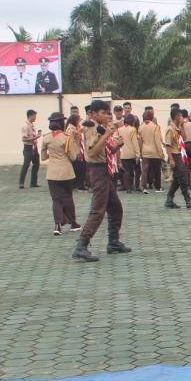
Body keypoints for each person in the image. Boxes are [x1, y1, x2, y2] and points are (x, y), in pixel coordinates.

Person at [72, 99, 132, 262]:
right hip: (98, 171)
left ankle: (113, 242)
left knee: (115, 208)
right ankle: (81, 246)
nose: (106, 116)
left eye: (107, 113)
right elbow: (91, 152)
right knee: (98, 209)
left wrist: (117, 146)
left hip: (105, 170)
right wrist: (106, 134)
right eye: (103, 113)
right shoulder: (91, 127)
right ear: (93, 113)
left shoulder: (99, 128)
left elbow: (105, 151)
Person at [39, 111, 80, 236]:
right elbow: (73, 157)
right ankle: (73, 223)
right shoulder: (67, 138)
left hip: (52, 172)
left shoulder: (46, 138)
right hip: (66, 172)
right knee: (67, 197)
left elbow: (44, 157)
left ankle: (57, 225)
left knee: (56, 199)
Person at [163, 108, 191, 210]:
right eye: (180, 116)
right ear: (176, 116)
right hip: (174, 155)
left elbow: (185, 137)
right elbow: (168, 145)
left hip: (178, 154)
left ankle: (169, 199)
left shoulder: (176, 128)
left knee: (177, 178)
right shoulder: (169, 129)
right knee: (181, 176)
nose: (182, 118)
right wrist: (171, 159)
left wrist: (182, 125)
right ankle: (187, 199)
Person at [138, 111, 165, 192]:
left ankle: (144, 186)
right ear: (152, 117)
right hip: (154, 152)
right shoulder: (155, 127)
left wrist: (140, 151)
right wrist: (160, 152)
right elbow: (157, 141)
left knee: (145, 170)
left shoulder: (140, 127)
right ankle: (158, 186)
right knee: (157, 170)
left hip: (145, 151)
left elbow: (140, 141)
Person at [117, 115, 141, 193]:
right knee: (132, 171)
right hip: (131, 153)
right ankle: (132, 185)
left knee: (126, 171)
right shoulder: (132, 130)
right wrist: (138, 153)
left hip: (123, 153)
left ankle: (128, 188)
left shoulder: (119, 130)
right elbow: (135, 142)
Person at [19, 109, 41, 189]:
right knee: (26, 164)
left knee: (36, 164)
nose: (35, 118)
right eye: (34, 116)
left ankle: (33, 182)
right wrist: (35, 138)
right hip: (28, 147)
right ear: (30, 116)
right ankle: (21, 183)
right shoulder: (25, 126)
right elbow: (24, 139)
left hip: (34, 147)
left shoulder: (31, 125)